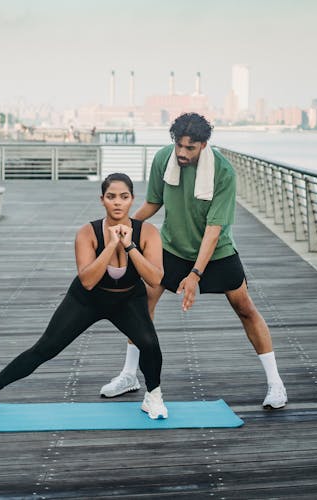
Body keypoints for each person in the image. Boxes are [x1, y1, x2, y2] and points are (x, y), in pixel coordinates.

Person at [100, 113, 288, 409]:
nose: (182, 153)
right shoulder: (164, 158)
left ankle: (276, 383)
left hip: (217, 252)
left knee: (245, 307)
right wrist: (125, 227)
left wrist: (195, 275)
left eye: (190, 148)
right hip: (172, 247)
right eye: (179, 145)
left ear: (204, 145)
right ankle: (128, 375)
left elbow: (214, 231)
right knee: (141, 303)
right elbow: (153, 202)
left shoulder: (223, 172)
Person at [0, 173, 169, 419]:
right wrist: (110, 246)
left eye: (124, 197)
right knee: (46, 348)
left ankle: (153, 395)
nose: (117, 202)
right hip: (88, 299)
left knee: (149, 344)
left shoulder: (147, 232)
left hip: (128, 299)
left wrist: (129, 246)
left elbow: (155, 279)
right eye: (111, 197)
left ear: (132, 200)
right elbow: (88, 280)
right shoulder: (88, 233)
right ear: (102, 200)